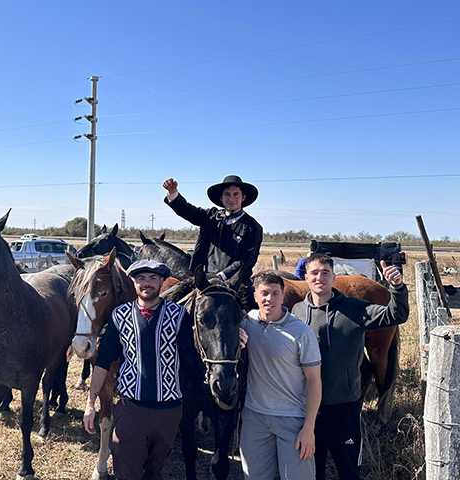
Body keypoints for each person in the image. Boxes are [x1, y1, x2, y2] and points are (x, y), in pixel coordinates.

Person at [291, 253, 409, 480]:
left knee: (348, 470)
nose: (319, 278)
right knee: (311, 471)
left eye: (325, 273)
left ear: (334, 277)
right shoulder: (297, 311)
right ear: (305, 277)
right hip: (307, 409)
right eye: (314, 273)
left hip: (343, 405)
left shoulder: (355, 308)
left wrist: (397, 288)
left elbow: (397, 314)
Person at [83, 259, 200, 480]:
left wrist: (237, 343)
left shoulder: (178, 315)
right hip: (131, 408)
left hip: (168, 410)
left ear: (161, 281)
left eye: (153, 278)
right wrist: (90, 403)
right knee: (127, 471)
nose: (147, 283)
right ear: (133, 283)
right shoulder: (119, 316)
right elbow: (103, 361)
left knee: (154, 471)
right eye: (141, 279)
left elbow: (192, 357)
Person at [238, 271, 322, 480]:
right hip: (254, 416)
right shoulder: (246, 322)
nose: (270, 299)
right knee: (254, 476)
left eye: (276, 293)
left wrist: (309, 428)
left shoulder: (301, 332)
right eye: (264, 293)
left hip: (292, 418)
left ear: (283, 297)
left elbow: (314, 380)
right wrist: (234, 337)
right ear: (255, 296)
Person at [162, 175, 263, 286]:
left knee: (252, 302)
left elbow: (248, 258)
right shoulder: (211, 217)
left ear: (243, 197)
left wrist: (224, 274)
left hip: (236, 282)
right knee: (171, 297)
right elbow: (188, 211)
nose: (231, 199)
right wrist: (173, 192)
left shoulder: (253, 227)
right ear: (221, 197)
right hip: (203, 278)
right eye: (227, 194)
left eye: (236, 194)